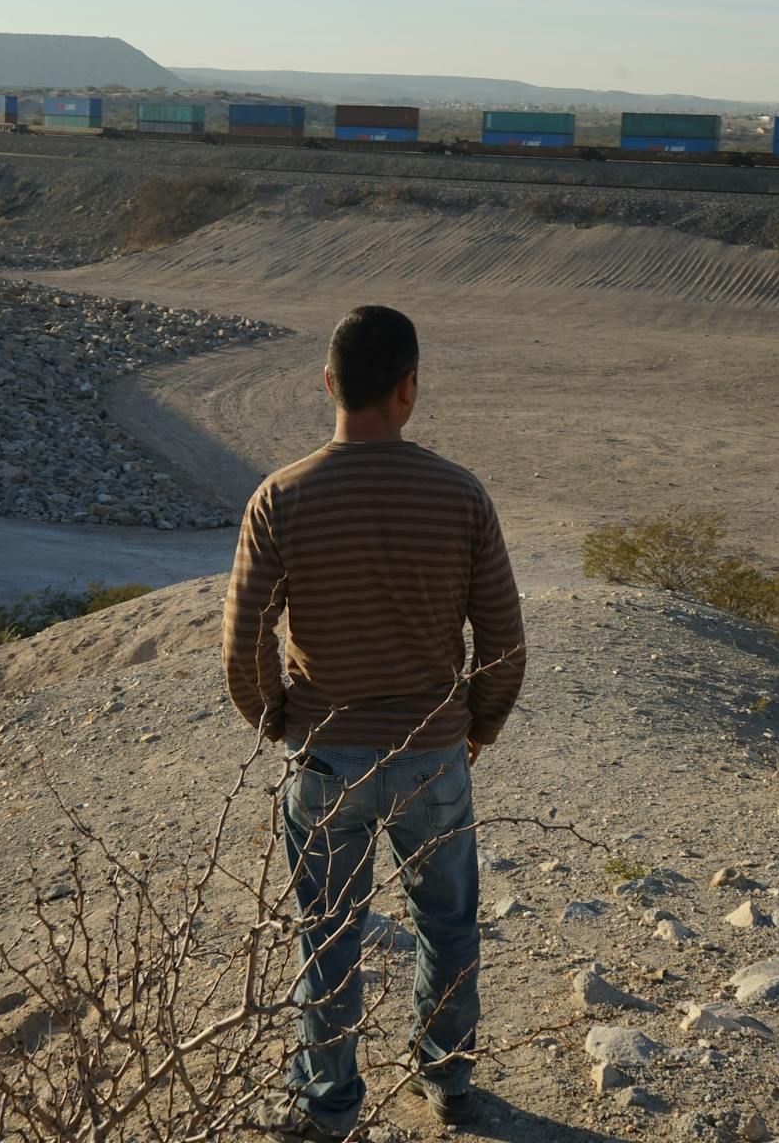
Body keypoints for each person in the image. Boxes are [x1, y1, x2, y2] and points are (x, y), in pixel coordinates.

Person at [222, 305, 527, 1141]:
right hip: (433, 754)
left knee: (327, 932)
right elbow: (503, 643)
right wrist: (476, 728)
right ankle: (448, 1079)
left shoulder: (279, 498)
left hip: (324, 755)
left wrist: (281, 719)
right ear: (409, 390)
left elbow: (244, 640)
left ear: (327, 384)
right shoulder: (461, 496)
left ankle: (328, 1104)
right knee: (449, 921)